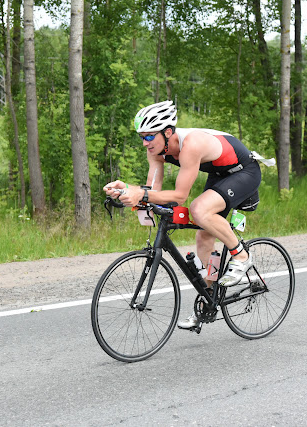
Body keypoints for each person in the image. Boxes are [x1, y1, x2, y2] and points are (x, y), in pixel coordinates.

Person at [104, 100, 262, 329]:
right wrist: (125, 190)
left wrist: (140, 195)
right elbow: (153, 191)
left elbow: (179, 196)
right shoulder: (156, 151)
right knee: (204, 237)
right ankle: (210, 300)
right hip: (220, 174)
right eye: (141, 137)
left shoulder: (191, 144)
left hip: (244, 171)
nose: (145, 143)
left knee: (199, 209)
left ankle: (241, 256)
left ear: (168, 132)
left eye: (149, 136)